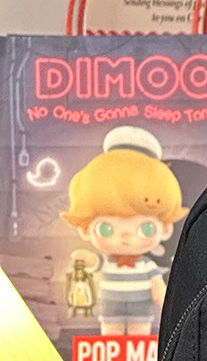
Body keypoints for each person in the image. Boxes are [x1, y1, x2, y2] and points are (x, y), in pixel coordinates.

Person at [60, 127, 185, 336]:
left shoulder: (147, 266)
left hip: (141, 313)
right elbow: (95, 264)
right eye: (106, 228)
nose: (126, 236)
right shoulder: (107, 263)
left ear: (165, 229)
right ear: (85, 229)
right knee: (110, 337)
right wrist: (88, 259)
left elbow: (158, 290)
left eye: (145, 228)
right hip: (110, 311)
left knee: (140, 338)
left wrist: (169, 305)